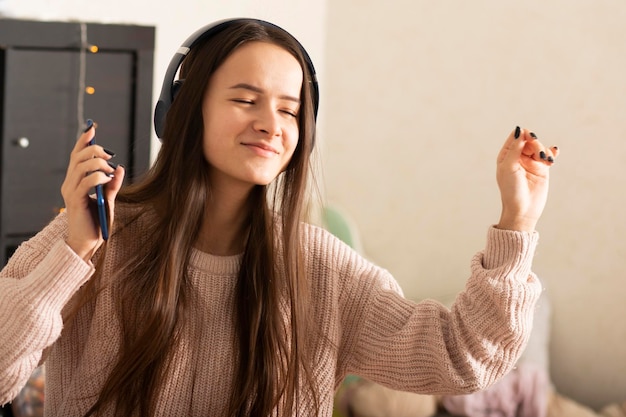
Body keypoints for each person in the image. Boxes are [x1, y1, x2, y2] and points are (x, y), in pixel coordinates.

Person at [0, 17, 559, 417]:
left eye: (290, 110)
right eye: (246, 99)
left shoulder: (323, 269)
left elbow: (460, 361)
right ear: (184, 111)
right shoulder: (97, 237)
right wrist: (73, 254)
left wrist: (516, 223)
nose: (272, 123)